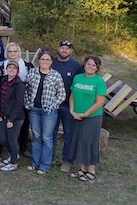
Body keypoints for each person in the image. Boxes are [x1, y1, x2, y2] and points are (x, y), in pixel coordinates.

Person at [25, 50, 66, 174]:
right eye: (43, 59)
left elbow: (62, 94)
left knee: (47, 137)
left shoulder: (56, 75)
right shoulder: (32, 73)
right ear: (39, 60)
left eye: (47, 60)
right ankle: (35, 163)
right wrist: (28, 103)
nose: (45, 62)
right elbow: (26, 89)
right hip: (34, 110)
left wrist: (52, 105)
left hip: (49, 111)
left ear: (51, 62)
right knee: (36, 136)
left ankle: (45, 165)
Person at [68, 56, 107, 182]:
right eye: (88, 64)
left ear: (97, 68)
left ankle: (91, 170)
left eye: (93, 65)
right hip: (76, 115)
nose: (90, 67)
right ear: (84, 65)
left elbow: (100, 102)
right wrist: (72, 110)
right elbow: (72, 95)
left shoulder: (99, 81)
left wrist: (85, 114)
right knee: (79, 141)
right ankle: (82, 169)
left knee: (89, 142)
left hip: (92, 117)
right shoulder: (77, 78)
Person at [0, 42, 33, 157]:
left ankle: (22, 149)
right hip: (5, 100)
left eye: (15, 51)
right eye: (10, 51)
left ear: (19, 52)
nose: (12, 54)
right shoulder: (2, 66)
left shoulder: (27, 65)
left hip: (22, 100)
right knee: (1, 129)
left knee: (23, 126)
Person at [53, 40, 82, 172]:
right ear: (58, 49)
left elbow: (80, 84)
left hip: (68, 105)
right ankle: (50, 156)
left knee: (68, 134)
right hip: (52, 104)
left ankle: (67, 160)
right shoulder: (51, 62)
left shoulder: (76, 66)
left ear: (71, 51)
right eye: (62, 48)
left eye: (67, 49)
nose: (64, 50)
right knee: (50, 133)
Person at [0, 61, 26, 172]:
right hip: (3, 114)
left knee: (12, 139)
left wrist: (11, 119)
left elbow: (19, 103)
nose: (11, 70)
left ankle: (13, 163)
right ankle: (14, 154)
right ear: (6, 69)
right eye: (10, 67)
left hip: (15, 117)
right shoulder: (3, 80)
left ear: (17, 70)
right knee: (1, 138)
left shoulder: (19, 84)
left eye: (14, 68)